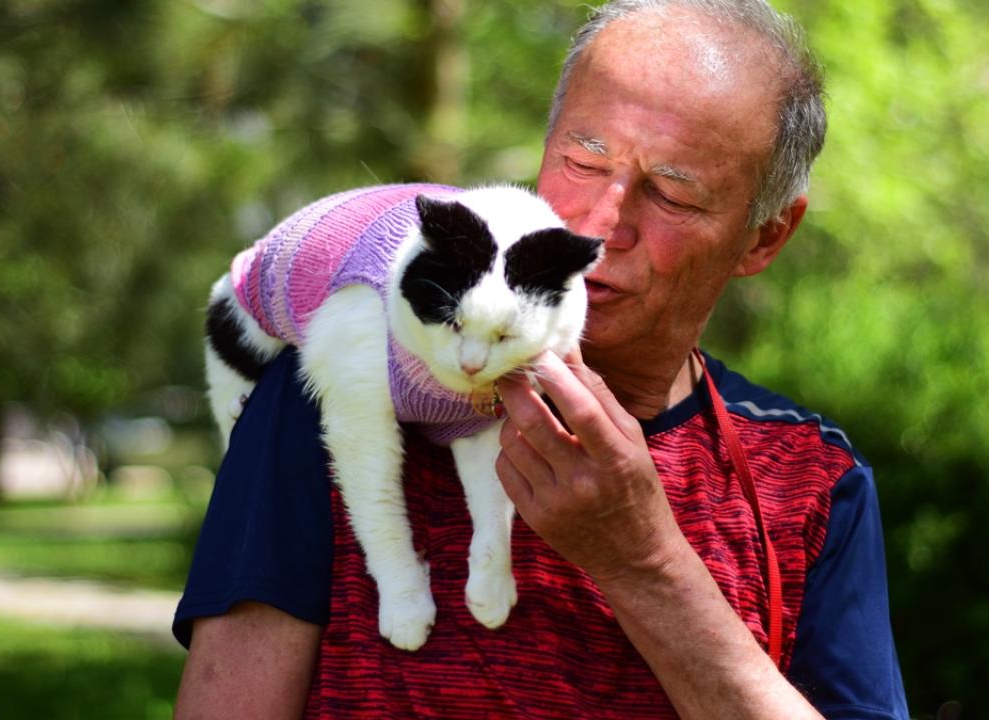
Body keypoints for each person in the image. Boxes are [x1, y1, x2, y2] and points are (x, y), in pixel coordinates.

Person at [173, 1, 910, 718]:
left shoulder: (810, 479)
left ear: (765, 238)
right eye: (583, 161)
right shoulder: (330, 394)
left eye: (673, 196)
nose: (600, 223)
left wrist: (644, 564)